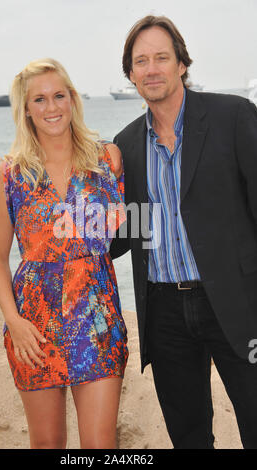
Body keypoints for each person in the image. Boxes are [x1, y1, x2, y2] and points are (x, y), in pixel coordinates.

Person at [110, 15, 257, 449]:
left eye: (161, 57)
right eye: (141, 61)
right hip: (165, 312)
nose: (151, 68)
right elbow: (128, 232)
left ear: (181, 64)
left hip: (237, 303)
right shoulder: (126, 144)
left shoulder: (233, 116)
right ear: (131, 74)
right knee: (189, 436)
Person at [0, 58, 128, 449]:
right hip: (33, 327)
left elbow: (125, 230)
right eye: (40, 99)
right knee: (47, 443)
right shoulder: (10, 175)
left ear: (73, 100)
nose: (52, 107)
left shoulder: (107, 161)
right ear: (27, 109)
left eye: (59, 96)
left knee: (101, 446)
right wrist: (14, 322)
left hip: (96, 319)